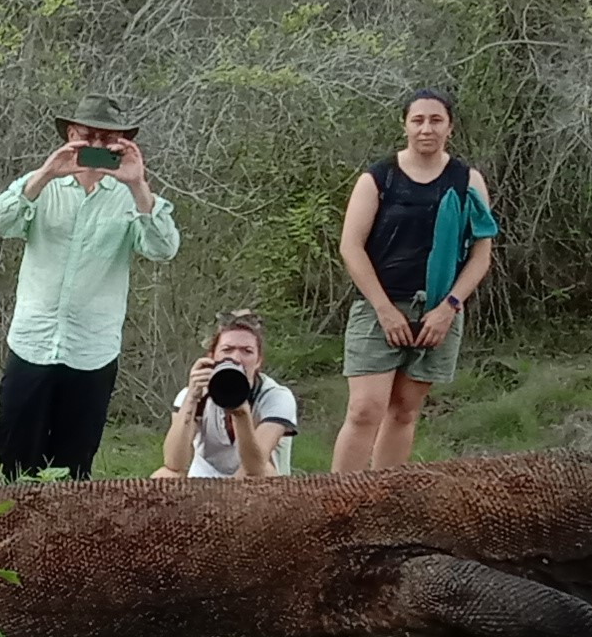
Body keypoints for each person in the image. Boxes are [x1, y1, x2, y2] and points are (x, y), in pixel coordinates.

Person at [0, 94, 179, 481]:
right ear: (72, 134)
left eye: (110, 140)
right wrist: (46, 174)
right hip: (33, 345)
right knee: (14, 460)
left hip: (92, 352)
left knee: (74, 468)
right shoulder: (42, 185)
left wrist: (139, 186)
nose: (99, 147)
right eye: (90, 136)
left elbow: (164, 248)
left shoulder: (130, 197)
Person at [333, 89, 500, 473]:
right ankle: (336, 504)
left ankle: (386, 501)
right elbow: (351, 247)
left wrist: (449, 309)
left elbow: (481, 255)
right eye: (418, 120)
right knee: (364, 410)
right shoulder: (379, 178)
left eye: (436, 120)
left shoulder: (467, 180)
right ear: (405, 125)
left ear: (450, 127)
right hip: (380, 308)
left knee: (404, 412)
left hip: (438, 311)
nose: (427, 128)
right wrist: (384, 310)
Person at [155, 308, 297, 479]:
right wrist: (192, 398)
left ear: (258, 360)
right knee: (165, 476)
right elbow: (173, 462)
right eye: (227, 350)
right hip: (204, 481)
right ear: (212, 356)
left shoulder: (275, 397)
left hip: (254, 486)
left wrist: (241, 413)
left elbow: (255, 468)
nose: (236, 358)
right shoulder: (192, 394)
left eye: (247, 351)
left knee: (260, 474)